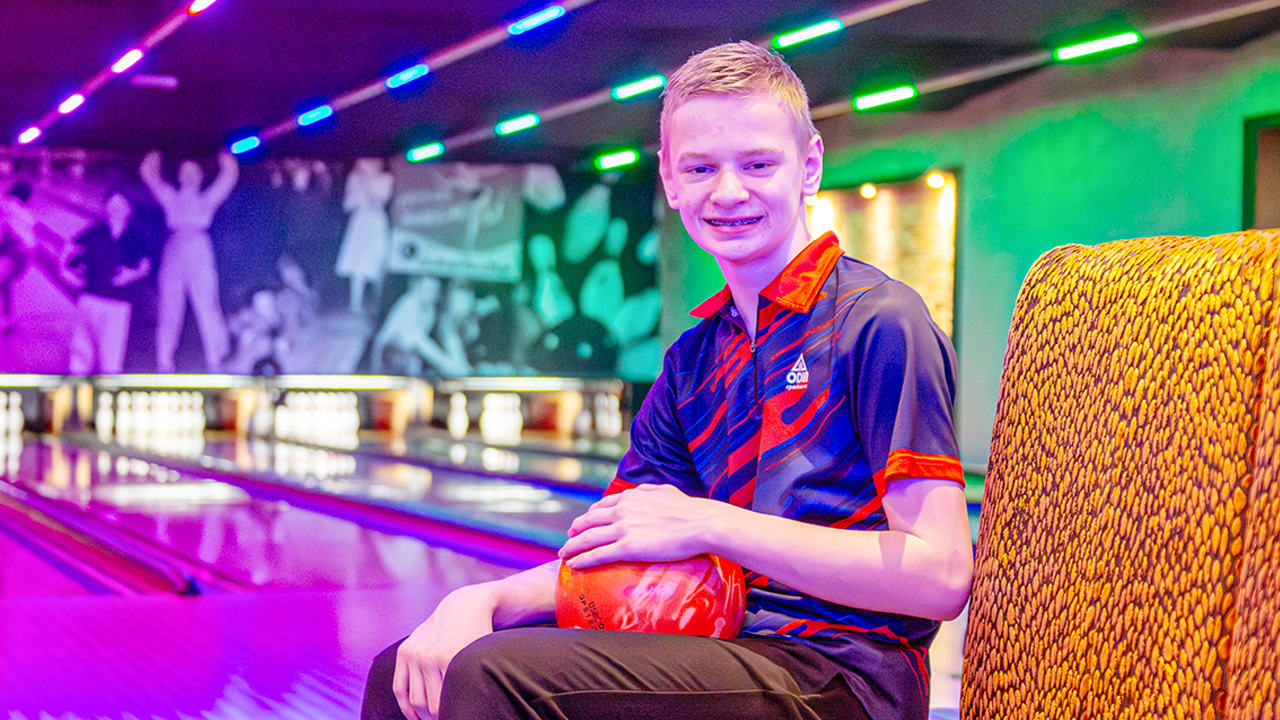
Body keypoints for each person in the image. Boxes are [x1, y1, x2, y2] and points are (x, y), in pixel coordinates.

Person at [362, 41, 973, 720]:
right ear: (670, 180)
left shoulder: (877, 321)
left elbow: (942, 576)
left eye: (758, 164)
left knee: (493, 676)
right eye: (701, 167)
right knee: (408, 669)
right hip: (723, 651)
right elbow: (613, 549)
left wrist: (713, 525)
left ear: (809, 166)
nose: (729, 191)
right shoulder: (694, 362)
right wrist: (483, 599)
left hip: (844, 674)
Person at [140, 150, 238, 373]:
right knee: (169, 306)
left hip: (199, 248)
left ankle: (215, 360)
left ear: (201, 177)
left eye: (194, 172)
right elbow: (149, 176)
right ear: (180, 176)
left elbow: (228, 178)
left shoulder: (206, 199)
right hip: (174, 248)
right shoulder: (170, 196)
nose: (189, 176)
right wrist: (154, 154)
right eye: (185, 172)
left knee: (207, 304)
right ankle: (164, 362)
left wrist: (225, 155)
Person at [66, 191, 152, 374]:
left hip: (118, 305)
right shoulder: (92, 233)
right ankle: (76, 391)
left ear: (129, 209)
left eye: (120, 205)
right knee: (80, 357)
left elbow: (146, 267)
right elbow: (69, 251)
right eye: (112, 205)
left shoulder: (135, 238)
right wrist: (65, 271)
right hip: (89, 299)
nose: (115, 209)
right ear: (105, 207)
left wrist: (133, 275)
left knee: (111, 362)